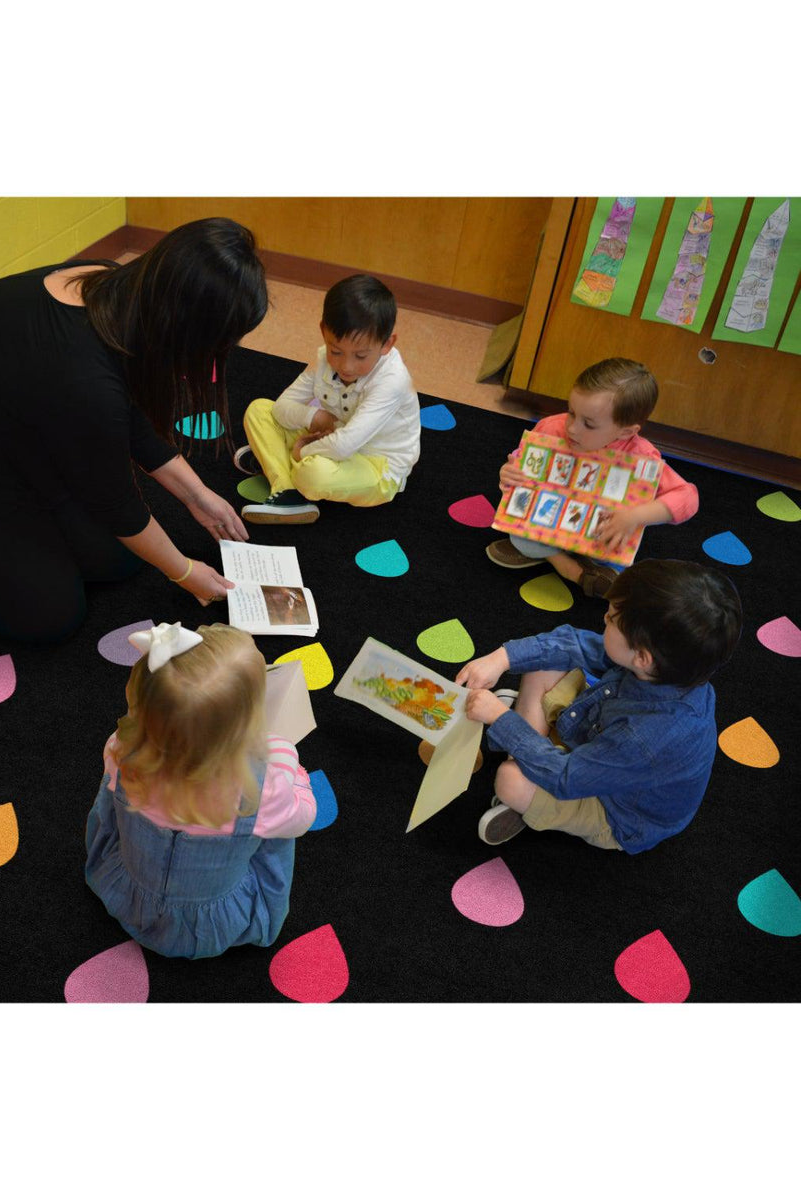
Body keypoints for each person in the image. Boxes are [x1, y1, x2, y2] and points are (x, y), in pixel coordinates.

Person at [0, 218, 269, 643]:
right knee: (49, 616)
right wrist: (186, 573)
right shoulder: (83, 381)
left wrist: (197, 495)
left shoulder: (113, 287)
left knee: (120, 561)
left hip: (20, 436)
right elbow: (115, 500)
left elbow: (128, 411)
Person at [457, 558, 742, 853]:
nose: (603, 619)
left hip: (616, 811)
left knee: (509, 781)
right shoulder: (665, 668)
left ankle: (525, 774)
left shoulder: (643, 737)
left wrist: (501, 719)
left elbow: (566, 778)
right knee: (546, 664)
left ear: (642, 658)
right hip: (600, 742)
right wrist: (501, 658)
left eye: (612, 619)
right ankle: (528, 749)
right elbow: (577, 645)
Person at [85, 621, 317, 959]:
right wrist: (284, 754)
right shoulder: (261, 789)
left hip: (127, 895)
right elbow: (303, 817)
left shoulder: (121, 751)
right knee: (277, 827)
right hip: (209, 924)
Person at [487, 358, 698, 598]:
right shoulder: (551, 428)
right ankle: (567, 567)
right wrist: (509, 471)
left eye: (588, 423)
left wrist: (635, 516)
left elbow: (688, 497)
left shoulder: (641, 457)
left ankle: (561, 558)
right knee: (519, 535)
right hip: (548, 520)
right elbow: (521, 462)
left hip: (598, 533)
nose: (572, 428)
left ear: (626, 431)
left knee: (612, 552)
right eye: (571, 412)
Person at [235, 274, 421, 525]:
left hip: (377, 466)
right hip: (334, 437)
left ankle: (279, 464)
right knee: (259, 410)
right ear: (323, 331)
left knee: (314, 476)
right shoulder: (323, 357)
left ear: (387, 344)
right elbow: (281, 407)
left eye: (361, 355)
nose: (346, 366)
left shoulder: (392, 381)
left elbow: (345, 446)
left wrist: (303, 451)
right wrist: (315, 416)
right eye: (336, 351)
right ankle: (288, 490)